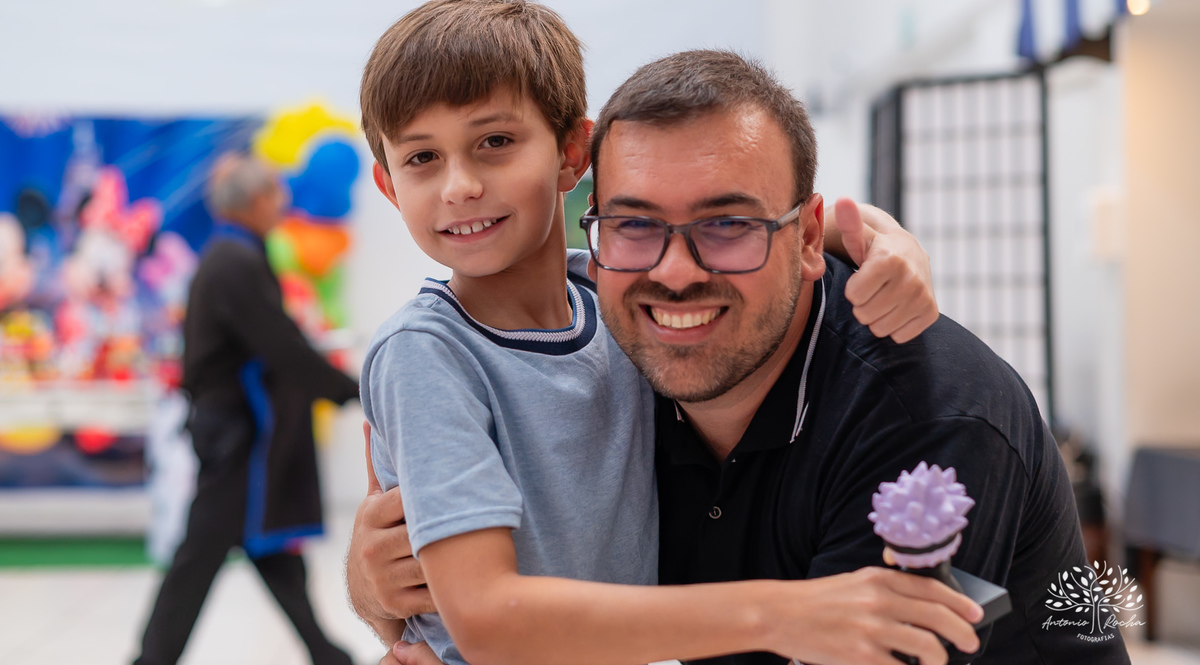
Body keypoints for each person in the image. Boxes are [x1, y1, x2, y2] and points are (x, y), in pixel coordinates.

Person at [356, 49, 1132, 665]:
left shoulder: (928, 420)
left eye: (727, 224)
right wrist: (376, 587)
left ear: (804, 237)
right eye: (635, 224)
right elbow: (483, 600)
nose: (675, 271)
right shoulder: (614, 348)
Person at [132, 153, 358, 665]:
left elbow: (278, 342)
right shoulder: (234, 261)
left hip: (235, 429)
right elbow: (281, 346)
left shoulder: (231, 254)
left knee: (271, 548)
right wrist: (354, 390)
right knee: (200, 555)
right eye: (277, 196)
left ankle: (327, 654)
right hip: (237, 436)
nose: (283, 205)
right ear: (256, 202)